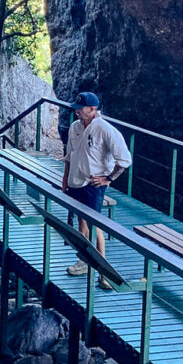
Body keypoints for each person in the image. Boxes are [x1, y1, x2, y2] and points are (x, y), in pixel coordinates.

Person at [61, 91, 131, 289]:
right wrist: (65, 179)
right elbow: (69, 155)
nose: (77, 112)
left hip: (93, 184)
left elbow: (124, 159)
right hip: (75, 181)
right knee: (81, 223)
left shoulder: (105, 129)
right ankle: (85, 259)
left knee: (94, 224)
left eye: (80, 109)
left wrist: (108, 178)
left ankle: (104, 271)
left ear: (92, 109)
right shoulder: (75, 127)